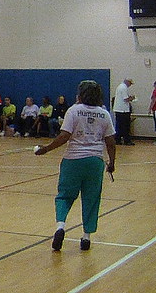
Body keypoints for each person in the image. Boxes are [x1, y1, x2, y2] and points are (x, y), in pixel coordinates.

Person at [34, 80, 117, 252]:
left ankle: (60, 227)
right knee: (91, 199)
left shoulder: (73, 111)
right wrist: (112, 163)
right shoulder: (104, 114)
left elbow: (64, 136)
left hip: (73, 160)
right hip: (95, 162)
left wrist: (46, 149)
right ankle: (86, 237)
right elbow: (111, 142)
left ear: (81, 94)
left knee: (64, 196)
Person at [112, 78, 136, 145]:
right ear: (127, 82)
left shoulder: (120, 86)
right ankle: (127, 140)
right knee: (125, 126)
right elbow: (125, 99)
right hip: (123, 110)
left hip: (118, 109)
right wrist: (132, 98)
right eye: (130, 83)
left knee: (119, 126)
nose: (130, 85)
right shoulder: (124, 88)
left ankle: (118, 140)